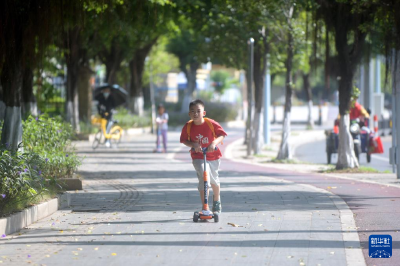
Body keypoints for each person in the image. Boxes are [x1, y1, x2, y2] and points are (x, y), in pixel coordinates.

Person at [180, 99, 227, 214]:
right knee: (203, 177)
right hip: (198, 156)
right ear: (189, 114)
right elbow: (184, 140)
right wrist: (193, 144)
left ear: (203, 113)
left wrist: (214, 143)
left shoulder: (211, 123)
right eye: (193, 111)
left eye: (198, 111)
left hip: (213, 156)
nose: (195, 114)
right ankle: (205, 207)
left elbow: (222, 135)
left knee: (213, 180)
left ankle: (216, 200)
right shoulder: (188, 126)